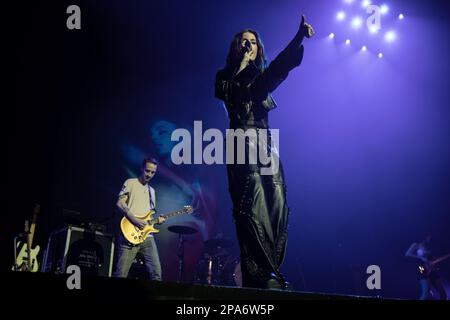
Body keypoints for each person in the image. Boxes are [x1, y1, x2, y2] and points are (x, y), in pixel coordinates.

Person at [214, 15, 314, 289]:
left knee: (278, 203)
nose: (249, 46)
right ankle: (261, 274)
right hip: (239, 141)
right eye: (243, 42)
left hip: (265, 142)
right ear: (236, 48)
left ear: (259, 48)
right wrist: (243, 65)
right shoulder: (224, 77)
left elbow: (281, 67)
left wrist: (298, 38)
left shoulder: (260, 79)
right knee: (253, 203)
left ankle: (270, 271)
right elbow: (230, 95)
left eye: (253, 43)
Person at [113, 157, 166, 280]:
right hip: (129, 234)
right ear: (142, 168)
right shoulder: (130, 182)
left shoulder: (151, 191)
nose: (150, 175)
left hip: (147, 237)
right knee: (121, 274)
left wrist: (157, 221)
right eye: (147, 171)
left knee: (157, 274)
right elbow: (120, 204)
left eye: (153, 172)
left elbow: (149, 216)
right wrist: (135, 220)